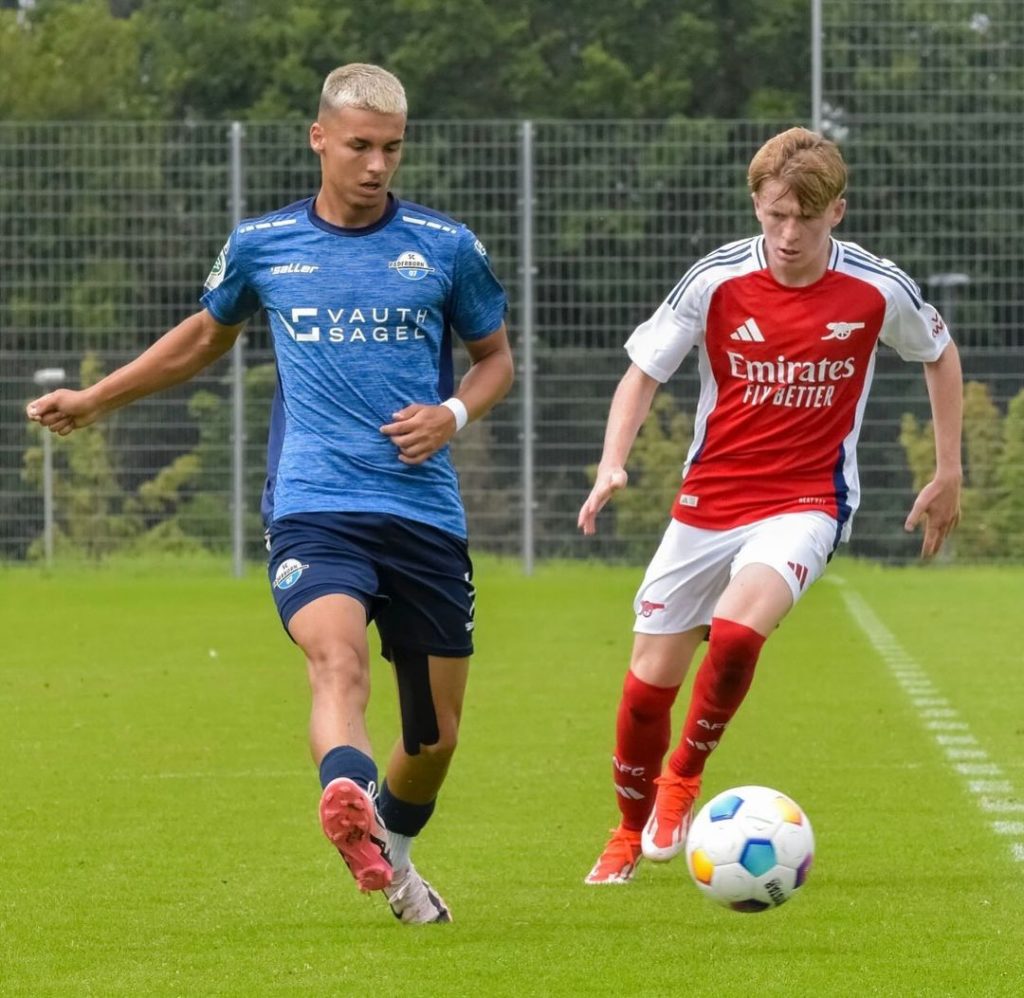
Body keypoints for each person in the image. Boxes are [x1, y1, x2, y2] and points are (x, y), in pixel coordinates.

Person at [26, 63, 513, 923]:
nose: (375, 166)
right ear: (319, 138)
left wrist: (451, 415)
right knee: (336, 662)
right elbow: (200, 339)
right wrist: (96, 399)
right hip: (315, 506)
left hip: (424, 512)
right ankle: (349, 796)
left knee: (434, 740)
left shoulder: (446, 246)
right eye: (359, 146)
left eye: (391, 149)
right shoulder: (265, 244)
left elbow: (495, 361)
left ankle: (390, 854)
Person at [578, 126, 962, 885]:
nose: (789, 236)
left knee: (736, 633)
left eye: (807, 221)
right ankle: (627, 832)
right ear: (757, 203)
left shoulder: (877, 288)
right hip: (707, 502)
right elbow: (642, 371)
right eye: (775, 216)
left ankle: (683, 779)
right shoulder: (715, 279)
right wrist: (611, 464)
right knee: (644, 692)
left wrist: (949, 470)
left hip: (806, 500)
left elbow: (939, 353)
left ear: (837, 214)